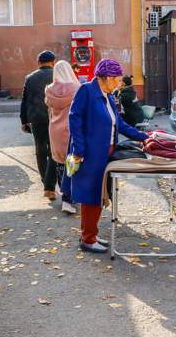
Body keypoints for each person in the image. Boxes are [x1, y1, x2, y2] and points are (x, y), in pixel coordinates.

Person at [69, 59, 149, 253]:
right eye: (117, 78)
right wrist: (79, 149)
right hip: (90, 153)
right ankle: (88, 239)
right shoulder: (87, 90)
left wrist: (145, 137)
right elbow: (74, 118)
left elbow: (119, 124)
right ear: (105, 78)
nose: (119, 82)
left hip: (106, 152)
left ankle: (90, 234)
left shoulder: (107, 95)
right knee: (91, 196)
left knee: (99, 194)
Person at [21, 50, 57, 200]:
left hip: (36, 120)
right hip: (55, 118)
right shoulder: (58, 75)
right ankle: (51, 184)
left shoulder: (30, 78)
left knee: (40, 150)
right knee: (54, 151)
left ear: (38, 62)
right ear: (53, 61)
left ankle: (45, 183)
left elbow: (25, 100)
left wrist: (24, 121)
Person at [45, 61, 80, 214]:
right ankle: (70, 198)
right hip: (71, 130)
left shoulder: (49, 90)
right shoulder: (77, 88)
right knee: (73, 163)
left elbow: (48, 108)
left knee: (60, 163)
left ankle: (65, 195)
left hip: (55, 130)